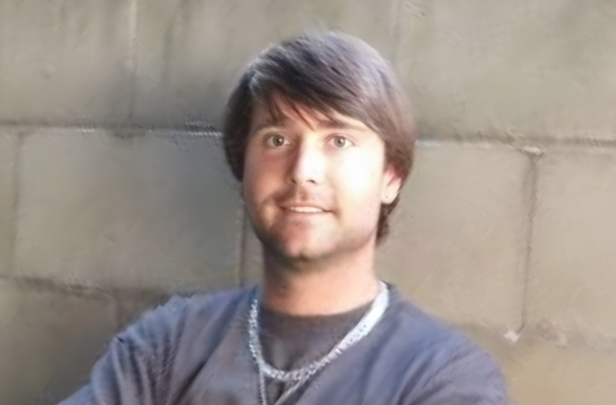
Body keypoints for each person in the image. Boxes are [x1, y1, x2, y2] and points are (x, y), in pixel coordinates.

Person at [58, 32, 509, 405]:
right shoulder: (167, 346)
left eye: (338, 141)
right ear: (244, 168)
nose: (302, 170)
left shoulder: (444, 378)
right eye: (277, 139)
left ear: (390, 177)